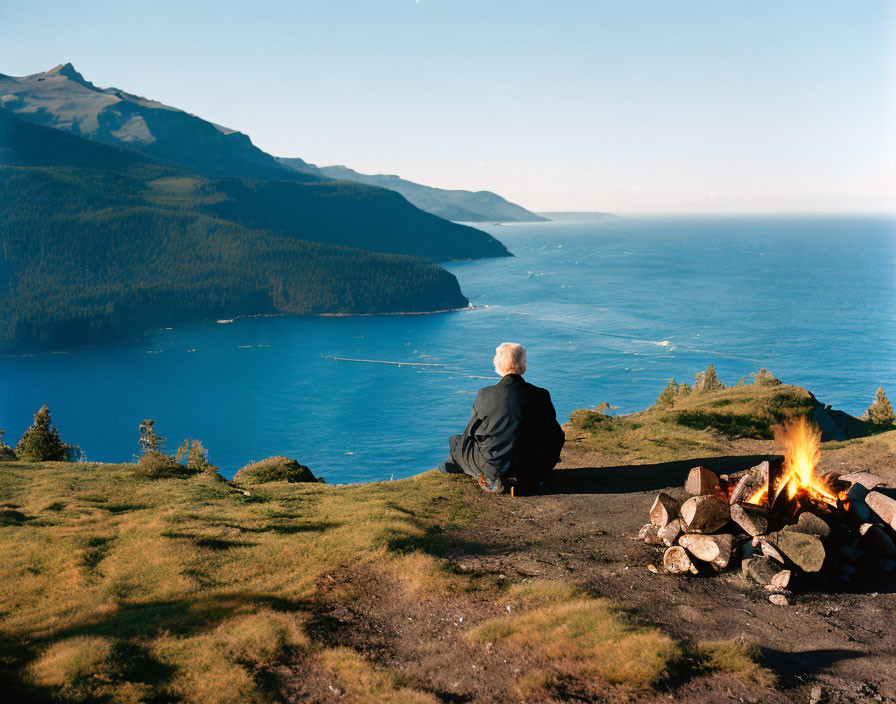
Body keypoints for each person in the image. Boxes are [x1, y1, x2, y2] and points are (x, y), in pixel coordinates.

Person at [439, 342, 565, 494]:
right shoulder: (541, 394)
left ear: (498, 364)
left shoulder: (485, 394)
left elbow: (471, 433)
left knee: (457, 442)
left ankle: (490, 477)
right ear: (523, 365)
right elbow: (556, 433)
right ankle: (530, 479)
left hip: (496, 464)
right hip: (534, 463)